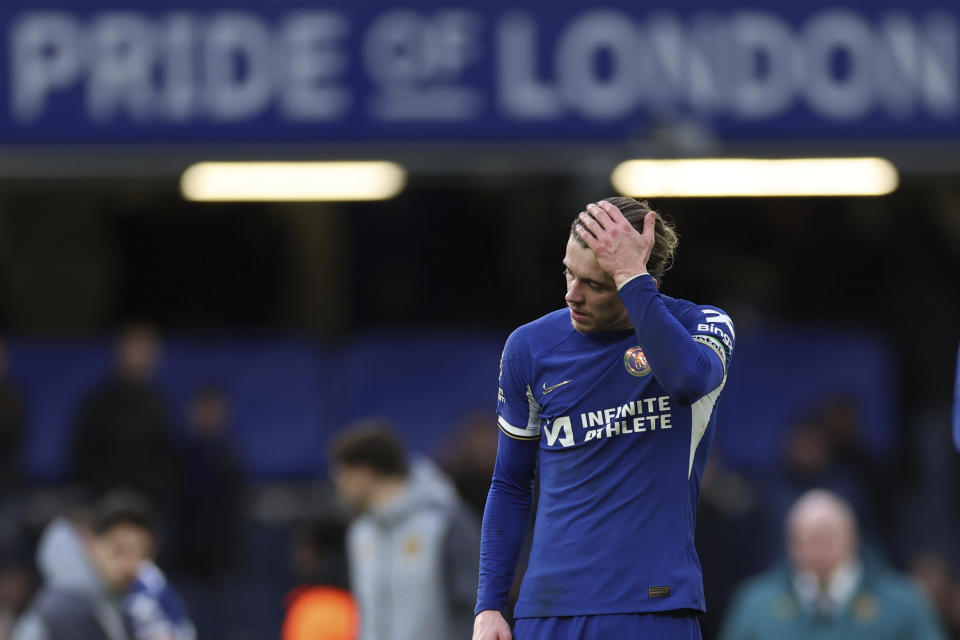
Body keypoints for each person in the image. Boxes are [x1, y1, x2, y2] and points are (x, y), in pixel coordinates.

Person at [473, 197, 735, 640]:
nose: (572, 294)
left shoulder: (701, 326)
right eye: (569, 272)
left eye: (595, 283)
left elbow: (689, 380)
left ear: (641, 283)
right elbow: (511, 483)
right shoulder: (530, 347)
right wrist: (489, 606)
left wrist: (630, 277)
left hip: (653, 607)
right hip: (548, 610)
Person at [718, 489, 948, 640]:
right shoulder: (755, 604)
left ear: (852, 538)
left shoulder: (905, 604)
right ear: (790, 544)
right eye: (804, 537)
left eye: (826, 535)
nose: (815, 546)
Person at [329, 420, 479, 640]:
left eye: (342, 476)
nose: (339, 487)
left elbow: (472, 612)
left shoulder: (445, 523)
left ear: (364, 474)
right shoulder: (360, 534)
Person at [12, 492, 158, 640]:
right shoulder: (71, 607)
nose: (129, 565)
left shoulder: (109, 600)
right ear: (91, 543)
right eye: (118, 551)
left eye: (142, 555)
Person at [69, 325, 180, 519]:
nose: (139, 358)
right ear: (119, 353)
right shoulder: (98, 403)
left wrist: (155, 494)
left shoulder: (160, 406)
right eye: (134, 350)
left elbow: (166, 458)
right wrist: (103, 493)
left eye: (146, 352)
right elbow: (83, 454)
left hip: (148, 505)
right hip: (104, 503)